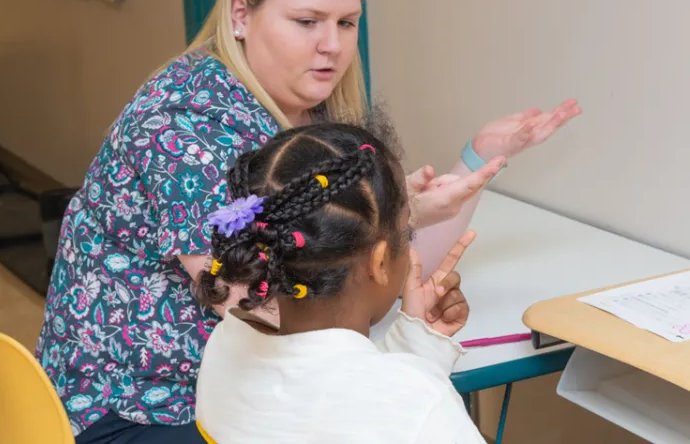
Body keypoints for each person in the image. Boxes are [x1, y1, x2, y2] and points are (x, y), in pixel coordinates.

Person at [35, 0, 580, 443]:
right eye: (307, 21)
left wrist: (472, 164)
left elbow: (363, 275)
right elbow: (270, 303)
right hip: (143, 409)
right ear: (242, 15)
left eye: (346, 23)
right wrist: (389, 238)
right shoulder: (186, 125)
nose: (333, 45)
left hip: (239, 385)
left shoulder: (307, 109)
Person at [193, 121, 484, 443]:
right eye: (407, 232)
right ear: (380, 262)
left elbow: (357, 400)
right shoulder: (424, 409)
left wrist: (419, 339)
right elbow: (396, 412)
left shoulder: (226, 343)